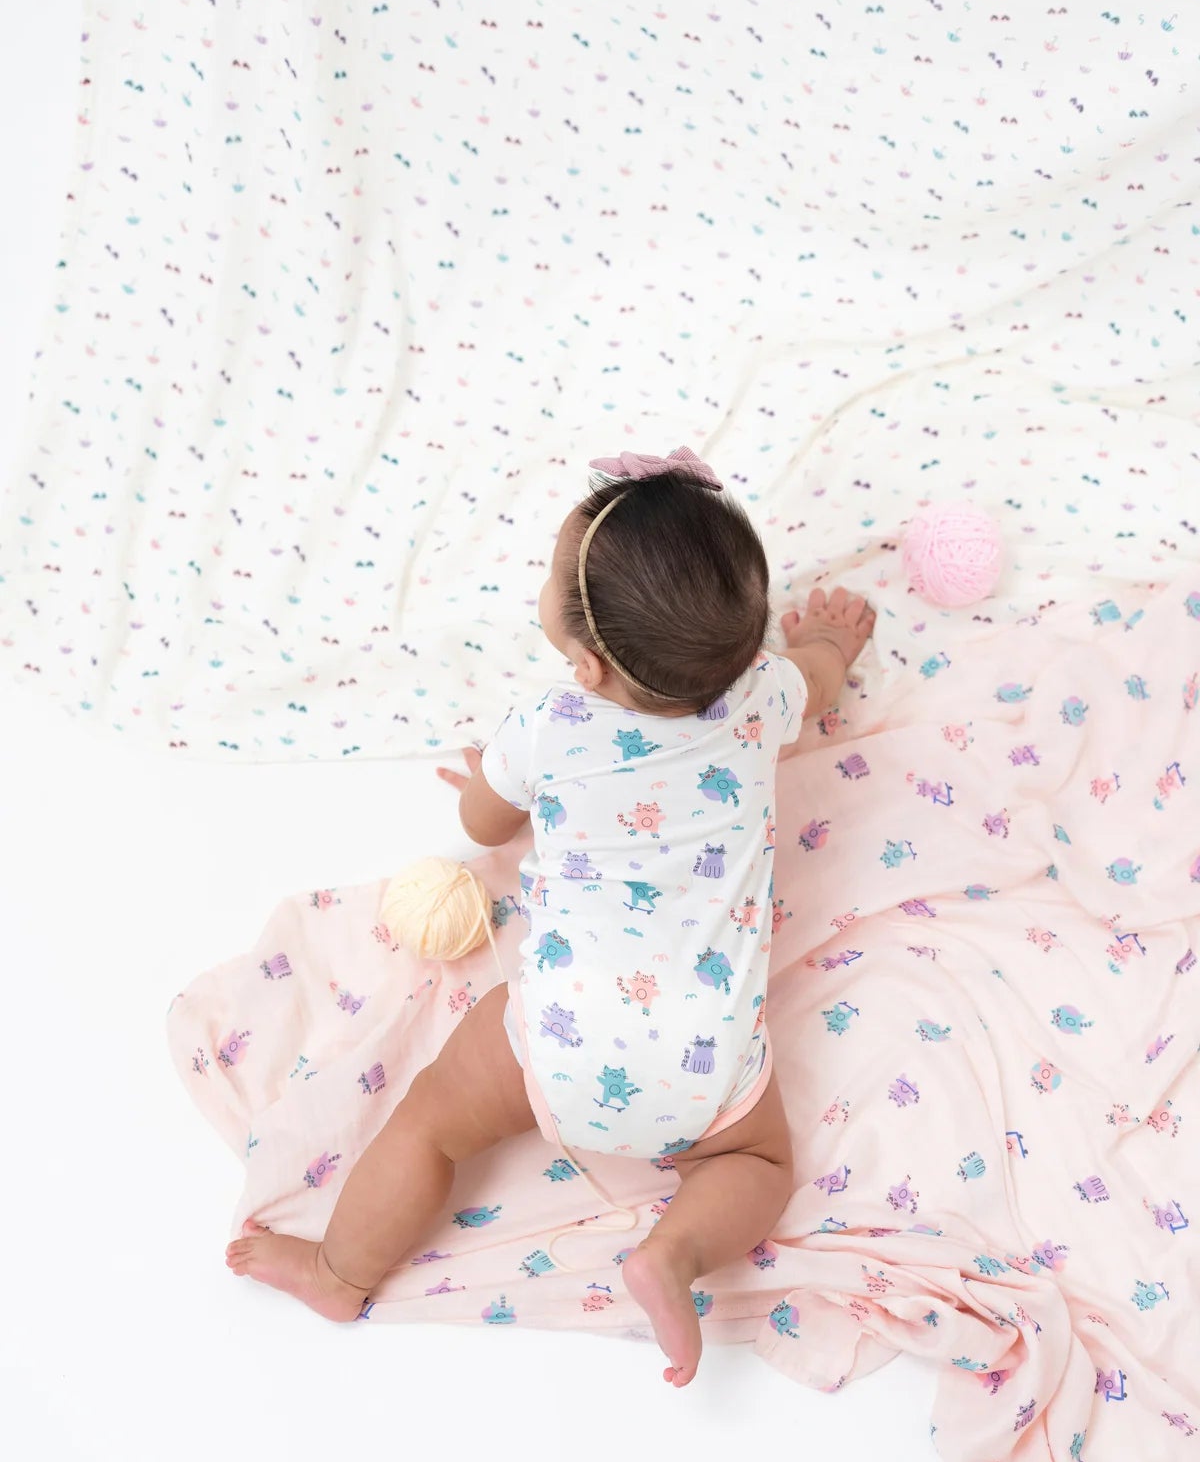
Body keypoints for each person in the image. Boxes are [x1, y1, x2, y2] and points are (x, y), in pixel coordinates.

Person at [227, 446, 875, 1386]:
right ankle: (674, 1252)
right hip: (705, 1064)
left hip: (557, 1035)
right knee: (759, 1165)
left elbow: (483, 825)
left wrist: (491, 784)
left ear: (586, 663)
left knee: (429, 1126)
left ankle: (339, 1271)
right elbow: (816, 679)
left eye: (549, 575)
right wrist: (833, 647)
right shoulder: (765, 693)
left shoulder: (548, 725)